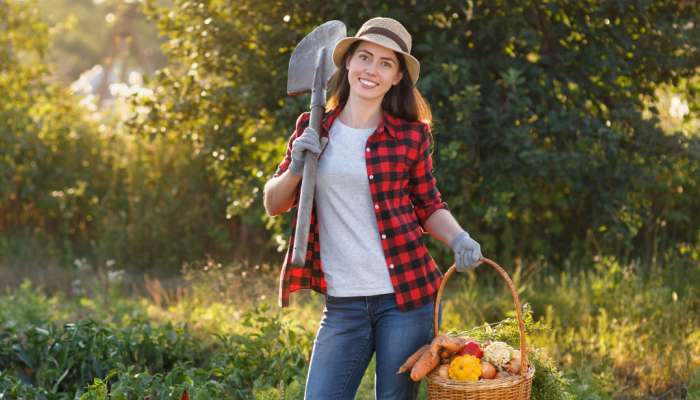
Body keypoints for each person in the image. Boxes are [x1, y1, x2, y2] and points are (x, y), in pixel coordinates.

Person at [263, 17, 482, 400]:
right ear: (347, 63)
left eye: (386, 63)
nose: (372, 70)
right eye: (365, 57)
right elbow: (273, 203)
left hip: (407, 300)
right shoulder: (313, 127)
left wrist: (459, 237)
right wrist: (297, 167)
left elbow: (429, 206)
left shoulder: (410, 136)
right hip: (342, 306)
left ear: (397, 77)